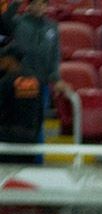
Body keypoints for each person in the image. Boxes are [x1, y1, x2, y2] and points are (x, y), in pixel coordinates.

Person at [4, 0, 70, 141]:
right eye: (37, 4)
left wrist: (56, 78)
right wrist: (16, 4)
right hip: (19, 81)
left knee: (38, 121)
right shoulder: (18, 22)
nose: (41, 7)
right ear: (29, 6)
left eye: (44, 4)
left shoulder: (52, 26)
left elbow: (55, 54)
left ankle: (38, 159)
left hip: (42, 83)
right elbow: (4, 21)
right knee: (16, 119)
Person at [0, 44, 42, 163]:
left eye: (3, 58)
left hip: (8, 137)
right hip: (30, 136)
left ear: (11, 59)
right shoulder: (34, 79)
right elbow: (39, 111)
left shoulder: (7, 82)